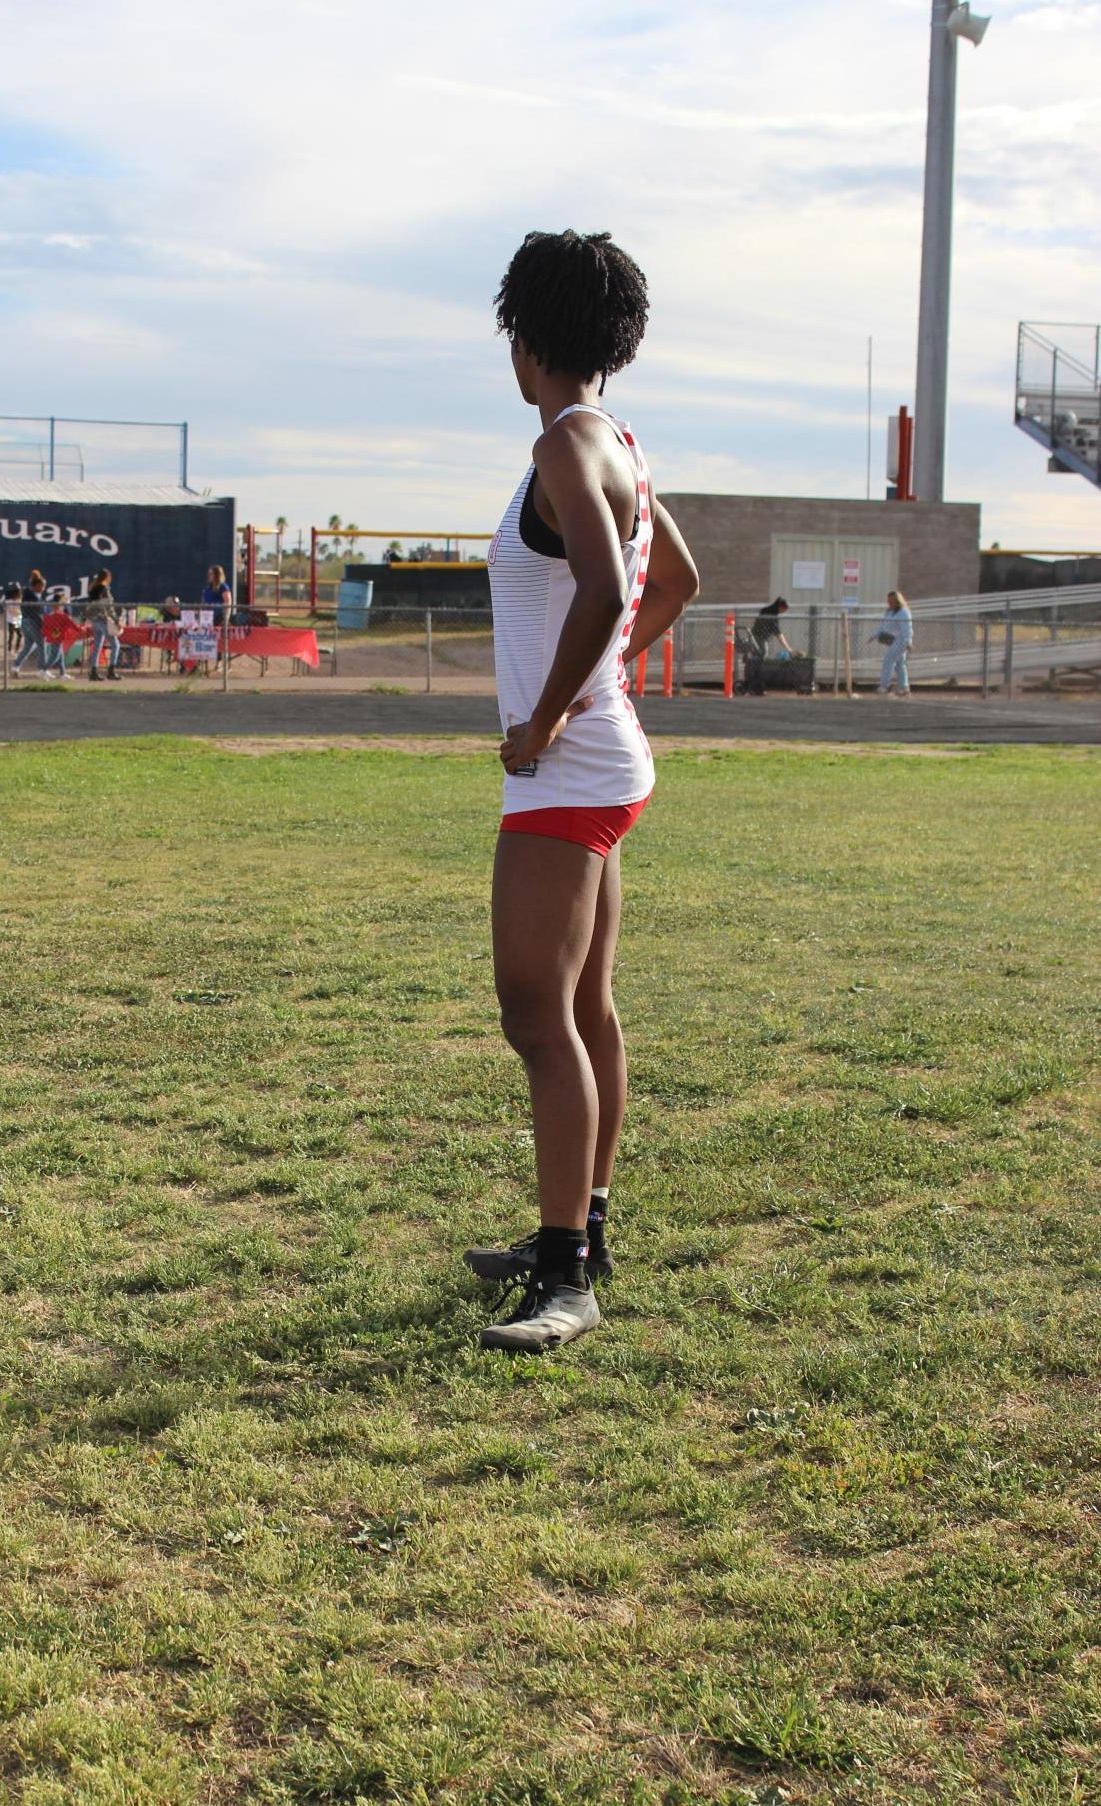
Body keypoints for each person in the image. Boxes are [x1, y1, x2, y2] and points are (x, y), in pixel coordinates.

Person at [465, 229, 699, 1355]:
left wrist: (552, 713)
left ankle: (564, 1279)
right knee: (582, 1006)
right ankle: (578, 1234)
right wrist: (594, 688)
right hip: (601, 759)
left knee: (532, 1011)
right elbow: (678, 580)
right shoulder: (614, 442)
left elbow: (609, 588)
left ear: (524, 337)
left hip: (567, 771)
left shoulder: (564, 443)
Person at [872, 590, 913, 696]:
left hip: (901, 641)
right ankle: (904, 687)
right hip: (892, 640)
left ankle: (884, 686)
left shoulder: (903, 613)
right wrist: (874, 635)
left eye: (891, 601)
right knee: (900, 664)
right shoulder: (890, 612)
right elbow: (883, 625)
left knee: (888, 660)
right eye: (888, 601)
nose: (889, 603)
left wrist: (907, 642)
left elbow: (907, 629)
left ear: (897, 601)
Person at [85, 569, 121, 680]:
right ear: (107, 578)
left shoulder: (93, 588)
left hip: (95, 620)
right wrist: (116, 620)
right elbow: (109, 607)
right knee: (115, 645)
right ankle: (111, 670)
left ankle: (93, 672)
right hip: (103, 619)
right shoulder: (104, 589)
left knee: (97, 646)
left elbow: (90, 605)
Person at [15, 571, 47, 676]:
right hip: (32, 622)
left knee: (28, 646)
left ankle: (16, 666)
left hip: (24, 621)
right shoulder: (32, 596)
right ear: (37, 586)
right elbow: (36, 612)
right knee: (42, 644)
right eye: (42, 586)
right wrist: (42, 624)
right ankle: (42, 670)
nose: (43, 589)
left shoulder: (31, 594)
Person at [4, 583, 24, 674]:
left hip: (18, 619)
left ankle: (15, 651)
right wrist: (17, 611)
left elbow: (20, 610)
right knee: (13, 635)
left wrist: (19, 612)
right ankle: (10, 651)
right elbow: (11, 610)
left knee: (18, 635)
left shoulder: (19, 600)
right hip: (11, 620)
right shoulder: (9, 600)